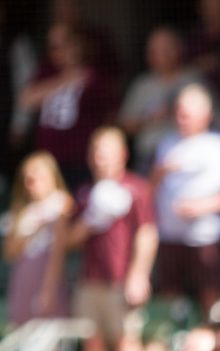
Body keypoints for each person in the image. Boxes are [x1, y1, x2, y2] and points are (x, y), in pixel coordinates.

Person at [55, 127, 157, 351]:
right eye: (96, 150)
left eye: (106, 149)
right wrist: (89, 221)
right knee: (93, 345)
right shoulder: (86, 193)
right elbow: (70, 240)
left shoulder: (136, 188)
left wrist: (139, 274)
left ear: (122, 154)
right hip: (90, 281)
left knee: (126, 342)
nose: (100, 156)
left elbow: (147, 233)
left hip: (121, 281)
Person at [151, 83, 220, 315]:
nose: (181, 119)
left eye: (187, 114)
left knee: (211, 297)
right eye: (178, 113)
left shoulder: (217, 146)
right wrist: (159, 173)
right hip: (170, 236)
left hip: (204, 237)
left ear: (205, 115)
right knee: (168, 296)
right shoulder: (166, 144)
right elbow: (152, 187)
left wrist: (200, 207)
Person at [17, 24, 115, 188]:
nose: (56, 52)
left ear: (76, 45)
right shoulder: (46, 71)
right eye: (52, 47)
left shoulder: (93, 76)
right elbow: (26, 100)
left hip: (80, 160)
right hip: (49, 160)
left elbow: (110, 113)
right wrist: (64, 79)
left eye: (61, 45)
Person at [117, 28, 199, 173]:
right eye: (155, 51)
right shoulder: (142, 85)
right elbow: (125, 125)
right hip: (148, 157)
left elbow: (213, 119)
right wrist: (150, 118)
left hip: (187, 157)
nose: (162, 55)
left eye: (167, 49)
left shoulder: (192, 80)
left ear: (178, 50)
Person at [5, 150, 72, 325]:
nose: (32, 182)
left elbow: (58, 252)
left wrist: (48, 290)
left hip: (49, 281)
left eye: (38, 174)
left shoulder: (61, 204)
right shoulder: (21, 211)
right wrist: (29, 229)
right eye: (28, 178)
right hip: (23, 280)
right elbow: (9, 252)